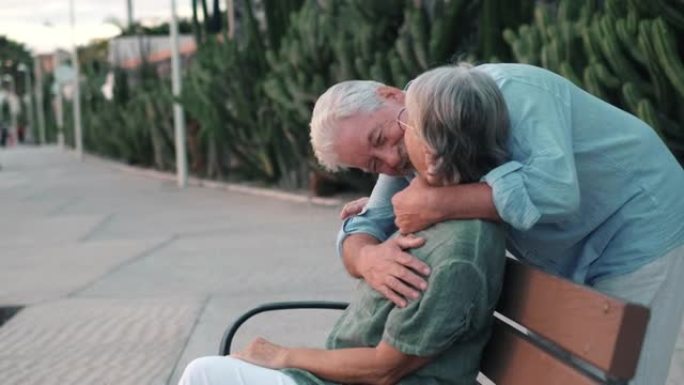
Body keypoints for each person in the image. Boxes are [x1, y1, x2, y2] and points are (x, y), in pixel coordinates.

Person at [310, 63, 684, 385]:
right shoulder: (415, 137)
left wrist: (440, 202)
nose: (391, 159)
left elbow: (555, 190)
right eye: (373, 165)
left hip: (639, 220)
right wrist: (368, 259)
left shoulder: (505, 92)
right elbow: (367, 224)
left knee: (624, 374)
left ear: (392, 95)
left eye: (381, 138)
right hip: (571, 249)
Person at [177, 64, 511, 385]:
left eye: (406, 126)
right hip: (337, 374)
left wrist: (283, 355)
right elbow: (358, 234)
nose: (393, 159)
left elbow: (384, 370)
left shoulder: (459, 252)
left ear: (435, 147)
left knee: (203, 373)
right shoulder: (429, 211)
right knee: (207, 374)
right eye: (372, 163)